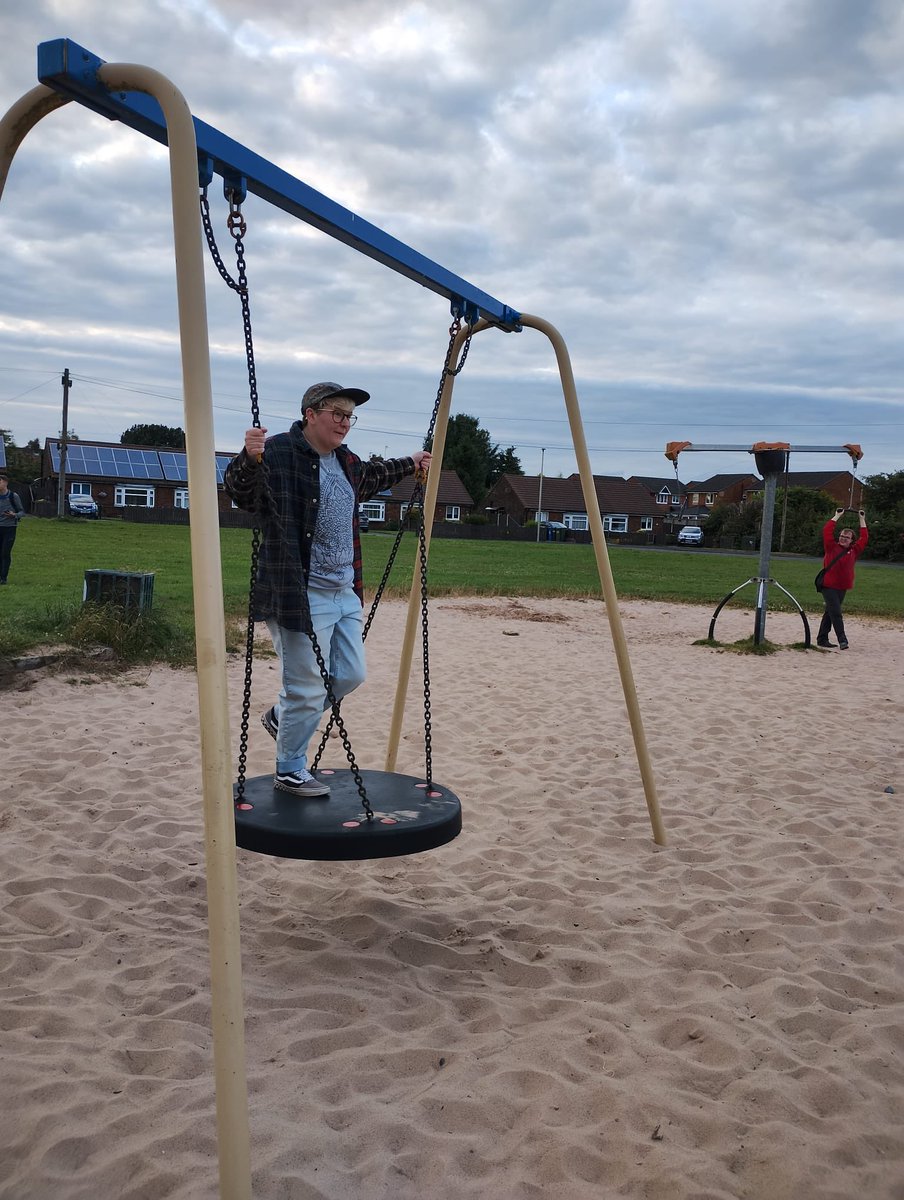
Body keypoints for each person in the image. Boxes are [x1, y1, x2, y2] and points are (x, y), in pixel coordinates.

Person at [225, 381, 432, 796]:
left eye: (349, 416)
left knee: (350, 675)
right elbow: (242, 493)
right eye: (337, 413)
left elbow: (373, 476)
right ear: (311, 413)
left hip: (344, 590)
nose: (344, 422)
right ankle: (289, 769)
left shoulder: (346, 461)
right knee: (306, 687)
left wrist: (412, 462)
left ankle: (283, 717)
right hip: (298, 593)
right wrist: (247, 459)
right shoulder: (279, 453)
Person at [816, 507, 868, 650]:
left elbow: (864, 538)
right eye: (841, 536)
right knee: (836, 613)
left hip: (842, 587)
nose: (843, 539)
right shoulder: (831, 547)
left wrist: (862, 519)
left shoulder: (854, 551)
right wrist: (837, 516)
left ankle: (822, 638)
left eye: (846, 537)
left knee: (830, 612)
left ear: (852, 540)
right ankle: (842, 639)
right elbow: (827, 531)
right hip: (829, 585)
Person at [0, 471, 24, 585]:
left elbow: (22, 512)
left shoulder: (13, 496)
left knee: (5, 552)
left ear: (5, 483)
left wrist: (14, 515)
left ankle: (3, 578)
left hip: (10, 528)